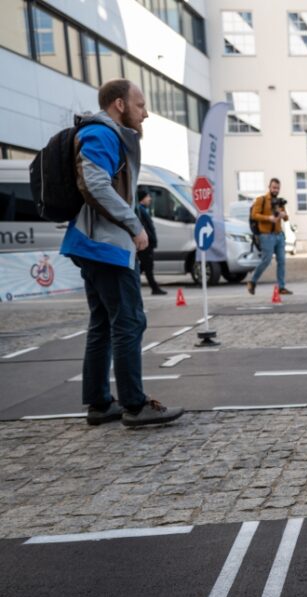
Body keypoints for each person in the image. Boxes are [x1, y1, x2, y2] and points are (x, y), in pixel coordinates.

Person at [58, 79, 184, 427]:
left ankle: (100, 403)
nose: (146, 113)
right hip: (106, 246)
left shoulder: (106, 133)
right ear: (119, 104)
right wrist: (134, 225)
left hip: (95, 245)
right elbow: (95, 183)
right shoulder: (102, 133)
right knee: (129, 321)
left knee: (103, 324)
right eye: (140, 105)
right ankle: (134, 404)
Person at [247, 178, 291, 295]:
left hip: (279, 235)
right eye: (274, 187)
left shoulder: (279, 202)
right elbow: (254, 215)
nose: (276, 190)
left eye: (277, 188)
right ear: (269, 187)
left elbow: (286, 219)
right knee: (266, 261)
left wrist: (283, 214)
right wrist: (268, 218)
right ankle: (252, 281)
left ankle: (281, 287)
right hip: (266, 236)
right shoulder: (261, 200)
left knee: (282, 261)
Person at [134, 188, 165, 295]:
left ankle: (151, 287)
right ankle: (154, 288)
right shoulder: (140, 211)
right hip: (146, 244)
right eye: (148, 197)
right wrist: (151, 239)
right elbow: (145, 228)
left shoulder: (142, 210)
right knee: (148, 267)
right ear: (142, 199)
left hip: (147, 244)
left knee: (144, 267)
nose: (150, 199)